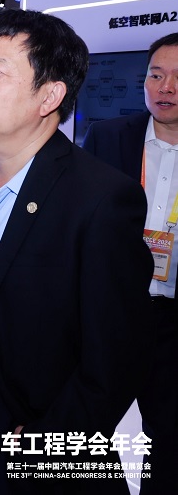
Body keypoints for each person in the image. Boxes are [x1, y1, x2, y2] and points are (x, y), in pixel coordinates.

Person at [0, 9, 152, 494]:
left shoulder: (100, 198)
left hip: (15, 419)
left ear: (50, 95)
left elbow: (116, 358)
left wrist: (47, 443)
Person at [82, 32, 178, 495]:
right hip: (111, 314)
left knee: (169, 439)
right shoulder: (107, 137)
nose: (166, 87)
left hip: (174, 322)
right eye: (156, 75)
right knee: (83, 434)